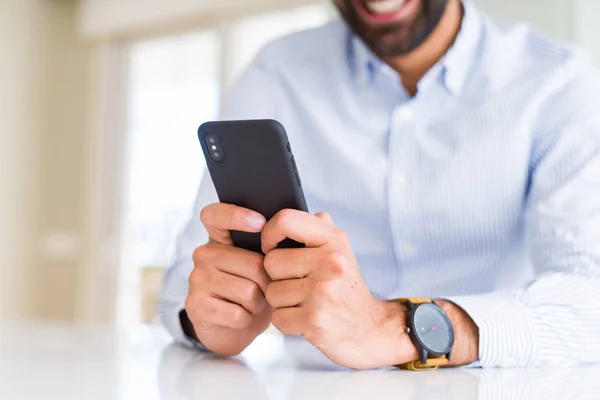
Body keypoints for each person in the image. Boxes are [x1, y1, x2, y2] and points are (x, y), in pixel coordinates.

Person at [159, 0, 600, 369]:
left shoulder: (557, 82)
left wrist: (397, 327)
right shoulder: (277, 71)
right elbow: (182, 282)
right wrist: (211, 319)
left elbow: (589, 299)